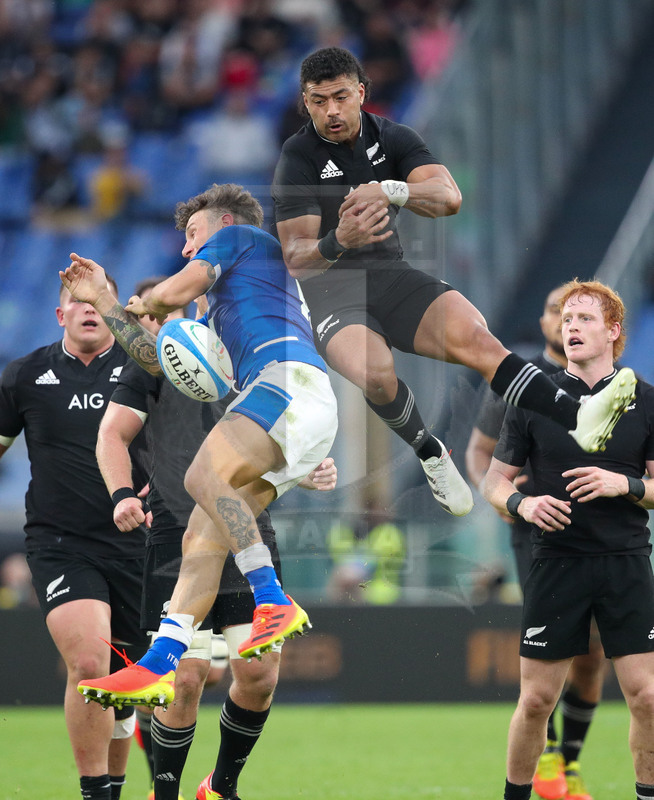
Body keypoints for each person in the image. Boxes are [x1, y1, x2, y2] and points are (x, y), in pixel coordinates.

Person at [271, 45, 636, 518]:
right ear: (306, 102)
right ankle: (430, 451)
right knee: (376, 374)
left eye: (340, 97)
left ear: (360, 92)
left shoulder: (393, 137)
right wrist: (339, 240)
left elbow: (449, 197)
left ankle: (579, 417)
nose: (331, 111)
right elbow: (296, 258)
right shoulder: (297, 156)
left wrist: (393, 189)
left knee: (479, 339)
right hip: (331, 293)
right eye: (319, 101)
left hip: (391, 276)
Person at [59, 182, 338, 709]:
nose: (188, 247)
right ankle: (158, 664)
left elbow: (170, 294)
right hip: (293, 400)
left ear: (224, 224)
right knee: (201, 535)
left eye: (193, 233)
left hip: (287, 381)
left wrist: (145, 300)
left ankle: (271, 598)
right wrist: (104, 300)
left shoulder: (243, 238)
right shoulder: (222, 312)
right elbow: (157, 359)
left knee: (201, 477)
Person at [98, 276, 337, 800]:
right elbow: (113, 432)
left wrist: (307, 462)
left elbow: (274, 434)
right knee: (184, 679)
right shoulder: (160, 360)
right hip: (174, 529)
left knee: (260, 673)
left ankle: (221, 788)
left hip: (246, 522)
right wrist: (122, 493)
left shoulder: (248, 355)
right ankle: (165, 793)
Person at [482, 279, 654, 800]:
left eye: (584, 318)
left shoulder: (645, 399)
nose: (571, 327)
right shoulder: (533, 398)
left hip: (625, 561)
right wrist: (524, 504)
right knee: (536, 701)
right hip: (557, 561)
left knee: (647, 698)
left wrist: (625, 485)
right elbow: (494, 482)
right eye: (567, 319)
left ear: (613, 331)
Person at [0, 278, 150, 800]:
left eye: (96, 302)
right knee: (89, 664)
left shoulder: (144, 367)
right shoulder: (23, 375)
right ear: (59, 315)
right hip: (60, 543)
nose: (88, 310)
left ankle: (115, 788)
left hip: (137, 543)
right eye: (77, 303)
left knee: (125, 684)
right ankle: (94, 793)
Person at [466, 285, 607, 800]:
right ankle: (543, 754)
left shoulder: (611, 385)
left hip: (601, 534)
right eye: (556, 312)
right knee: (552, 645)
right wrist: (504, 500)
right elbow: (479, 455)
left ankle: (568, 761)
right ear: (546, 322)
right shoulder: (517, 381)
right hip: (535, 533)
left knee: (592, 651)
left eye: (578, 315)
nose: (565, 322)